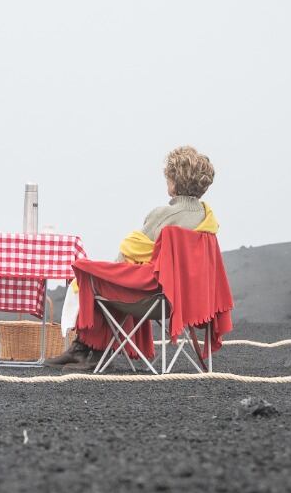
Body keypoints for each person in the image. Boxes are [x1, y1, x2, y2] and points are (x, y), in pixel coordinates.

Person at [48, 145, 219, 368]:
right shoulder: (208, 220)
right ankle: (88, 349)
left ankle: (88, 348)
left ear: (174, 181)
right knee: (111, 279)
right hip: (189, 297)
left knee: (92, 275)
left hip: (154, 297)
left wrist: (110, 272)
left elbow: (129, 252)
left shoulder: (162, 216)